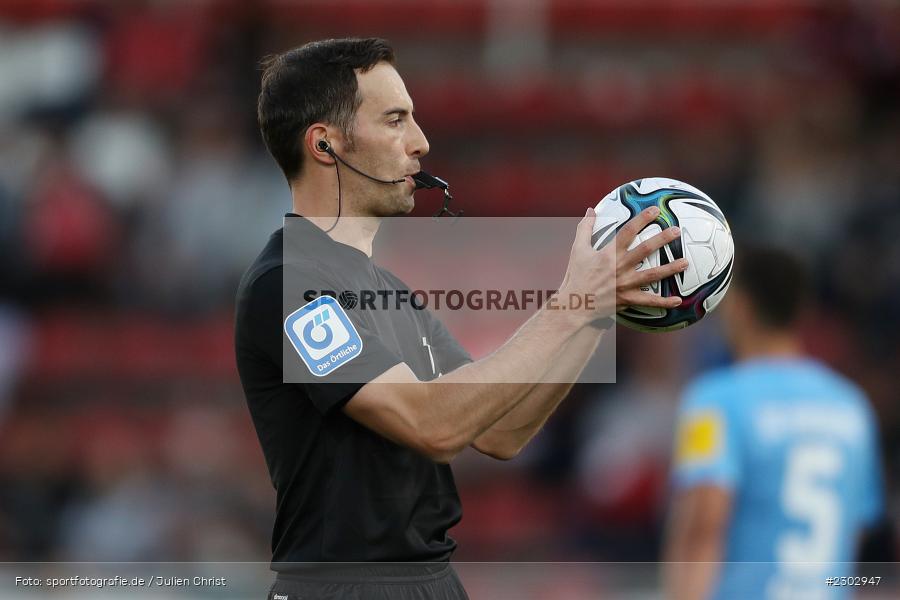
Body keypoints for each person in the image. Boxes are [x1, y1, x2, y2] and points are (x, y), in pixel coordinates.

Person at [235, 37, 687, 600]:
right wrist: (570, 302)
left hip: (430, 581)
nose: (421, 144)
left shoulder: (389, 292)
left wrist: (596, 312)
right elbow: (434, 426)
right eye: (396, 120)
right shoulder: (289, 285)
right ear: (326, 145)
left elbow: (499, 430)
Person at [664, 246, 886, 600]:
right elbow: (853, 527)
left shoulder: (713, 402)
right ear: (802, 312)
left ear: (738, 305)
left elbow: (703, 523)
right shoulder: (851, 407)